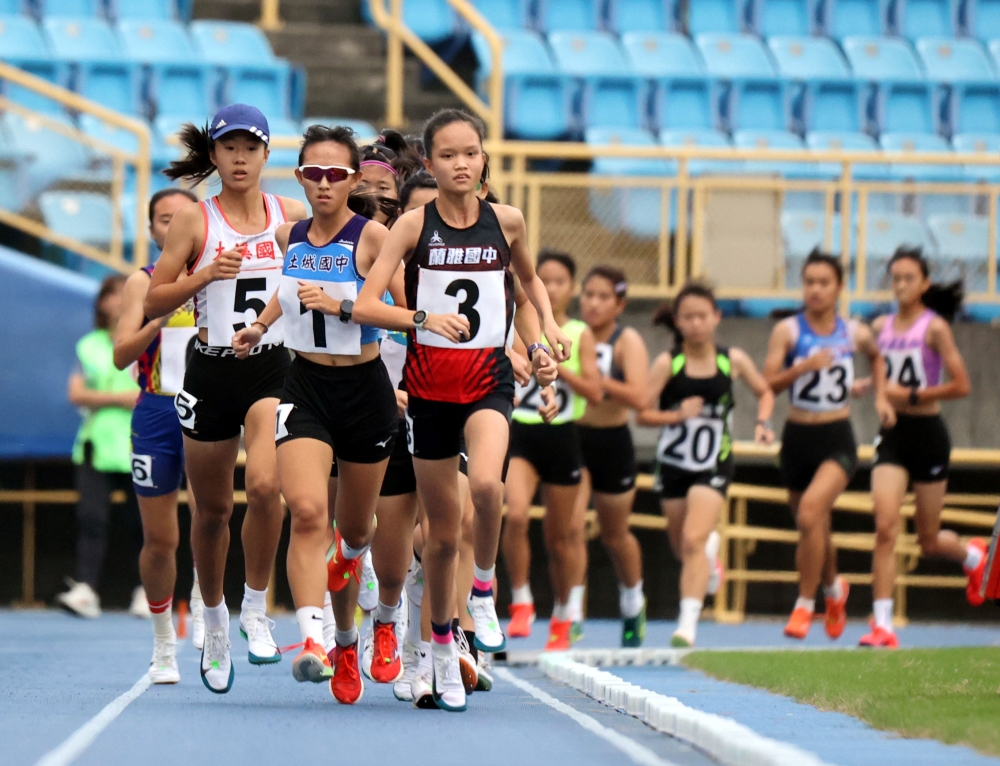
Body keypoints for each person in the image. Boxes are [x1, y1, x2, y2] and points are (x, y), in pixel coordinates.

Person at [354, 109, 568, 712]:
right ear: (429, 163)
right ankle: (443, 657)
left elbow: (527, 287)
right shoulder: (412, 226)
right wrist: (422, 318)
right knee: (441, 537)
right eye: (448, 155)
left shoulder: (507, 221)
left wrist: (547, 333)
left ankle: (484, 589)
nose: (461, 164)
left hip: (487, 379)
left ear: (484, 159)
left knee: (489, 489)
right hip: (428, 386)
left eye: (470, 153)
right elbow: (366, 304)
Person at [233, 124, 401, 703]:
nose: (324, 183)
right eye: (313, 173)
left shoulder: (373, 237)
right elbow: (286, 294)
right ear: (300, 178)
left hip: (366, 390)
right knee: (306, 512)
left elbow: (406, 315)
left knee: (355, 533)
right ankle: (315, 643)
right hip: (304, 385)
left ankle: (358, 625)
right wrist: (258, 326)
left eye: (335, 174)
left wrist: (343, 305)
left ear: (353, 180)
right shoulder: (290, 235)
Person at [144, 104, 308, 693]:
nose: (240, 159)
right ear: (213, 155)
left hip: (271, 367)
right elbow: (153, 301)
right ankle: (213, 621)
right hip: (210, 370)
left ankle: (255, 608)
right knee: (212, 512)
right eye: (229, 148)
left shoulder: (290, 216)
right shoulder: (195, 219)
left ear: (267, 155)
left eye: (250, 148)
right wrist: (205, 275)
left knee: (265, 488)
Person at [763, 249, 894, 640]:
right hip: (797, 437)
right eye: (809, 282)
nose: (815, 290)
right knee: (814, 525)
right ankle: (835, 590)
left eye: (824, 283)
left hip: (836, 437)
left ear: (839, 287)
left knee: (809, 515)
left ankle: (804, 606)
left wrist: (880, 396)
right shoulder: (787, 331)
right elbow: (768, 384)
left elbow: (877, 359)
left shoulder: (853, 332)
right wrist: (803, 367)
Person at [640, 282, 775, 647]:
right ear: (677, 321)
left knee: (692, 539)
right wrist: (676, 415)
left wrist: (763, 422)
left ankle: (687, 625)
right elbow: (642, 414)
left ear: (716, 317)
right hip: (673, 464)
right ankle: (708, 559)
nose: (696, 324)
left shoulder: (732, 360)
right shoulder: (669, 363)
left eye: (702, 316)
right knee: (682, 548)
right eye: (688, 317)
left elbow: (764, 391)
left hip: (714, 462)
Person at [863, 248, 981, 648]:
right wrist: (877, 393)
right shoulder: (879, 326)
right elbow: (880, 371)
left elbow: (961, 385)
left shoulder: (935, 329)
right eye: (895, 278)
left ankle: (974, 557)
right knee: (885, 526)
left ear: (924, 283)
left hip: (929, 434)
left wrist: (913, 395)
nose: (900, 285)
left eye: (908, 278)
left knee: (928, 542)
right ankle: (883, 624)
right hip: (893, 436)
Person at [113, 188, 202, 682]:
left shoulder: (219, 274)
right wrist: (158, 321)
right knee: (161, 538)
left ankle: (210, 614)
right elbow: (120, 356)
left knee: (212, 517)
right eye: (163, 219)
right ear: (150, 230)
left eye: (181, 217)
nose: (172, 227)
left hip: (209, 411)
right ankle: (164, 641)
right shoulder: (142, 283)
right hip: (156, 412)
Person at [503, 250, 602, 652]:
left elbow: (595, 391)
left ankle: (563, 613)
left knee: (560, 539)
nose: (553, 288)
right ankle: (522, 601)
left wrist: (560, 370)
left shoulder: (579, 332)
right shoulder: (517, 321)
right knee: (515, 514)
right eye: (545, 279)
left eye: (561, 281)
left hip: (562, 436)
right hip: (523, 434)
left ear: (572, 287)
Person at [58, 276, 142, 619]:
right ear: (102, 303)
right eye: (112, 294)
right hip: (96, 443)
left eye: (125, 293)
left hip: (138, 442)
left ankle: (146, 592)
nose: (119, 300)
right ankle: (87, 590)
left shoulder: (146, 338)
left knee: (142, 523)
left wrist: (121, 399)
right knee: (91, 518)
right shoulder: (88, 345)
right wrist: (118, 398)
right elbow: (76, 393)